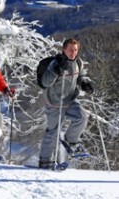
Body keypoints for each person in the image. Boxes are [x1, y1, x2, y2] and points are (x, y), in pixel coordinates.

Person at [39, 39, 94, 168]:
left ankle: (71, 142)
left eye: (75, 50)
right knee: (53, 131)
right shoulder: (55, 64)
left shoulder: (78, 62)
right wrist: (56, 70)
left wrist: (85, 83)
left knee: (82, 116)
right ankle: (45, 161)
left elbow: (81, 76)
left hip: (69, 100)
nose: (73, 52)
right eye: (70, 49)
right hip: (54, 102)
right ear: (64, 49)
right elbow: (45, 83)